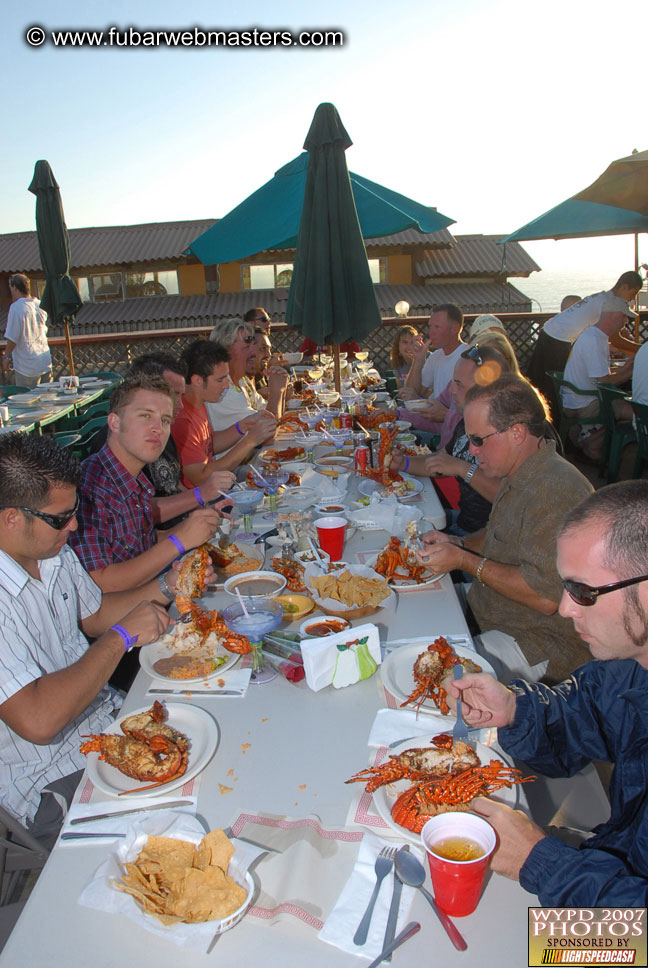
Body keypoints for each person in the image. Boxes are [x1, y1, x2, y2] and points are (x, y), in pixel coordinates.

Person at [446, 481, 648, 905]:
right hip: (607, 865)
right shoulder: (630, 668)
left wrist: (538, 862)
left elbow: (631, 938)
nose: (565, 608)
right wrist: (515, 708)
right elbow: (579, 714)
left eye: (583, 591)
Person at [0, 432, 175, 841]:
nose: (74, 525)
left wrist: (168, 587)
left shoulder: (52, 552)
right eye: (61, 518)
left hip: (106, 722)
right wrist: (120, 638)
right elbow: (39, 721)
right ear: (11, 518)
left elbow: (94, 614)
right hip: (50, 776)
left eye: (74, 510)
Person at [418, 374, 592, 684]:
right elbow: (496, 535)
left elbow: (544, 597)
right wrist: (456, 543)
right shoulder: (521, 471)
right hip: (491, 607)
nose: (472, 450)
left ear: (516, 433)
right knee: (416, 606)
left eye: (478, 439)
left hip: (539, 640)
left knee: (436, 678)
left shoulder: (554, 489)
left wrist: (463, 561)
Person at [70, 373, 225, 593]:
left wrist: (196, 524)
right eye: (145, 416)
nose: (158, 428)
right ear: (114, 422)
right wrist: (180, 540)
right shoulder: (88, 487)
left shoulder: (135, 479)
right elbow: (98, 583)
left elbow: (142, 543)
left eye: (165, 420)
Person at [392, 344, 514, 535]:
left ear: (486, 389)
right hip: (463, 522)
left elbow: (512, 497)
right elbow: (441, 461)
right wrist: (402, 463)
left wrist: (461, 468)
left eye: (459, 384)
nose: (451, 391)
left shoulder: (509, 432)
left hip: (489, 539)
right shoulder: (467, 421)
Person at [527, 271, 642, 411]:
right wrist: (642, 351)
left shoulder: (602, 298)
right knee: (551, 390)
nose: (632, 299)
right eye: (633, 293)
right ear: (624, 287)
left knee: (543, 385)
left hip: (551, 332)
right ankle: (559, 424)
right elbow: (615, 339)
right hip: (557, 339)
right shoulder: (608, 304)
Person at [172, 339, 274, 486]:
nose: (226, 386)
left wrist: (243, 426)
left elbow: (208, 444)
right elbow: (201, 477)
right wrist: (250, 441)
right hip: (204, 499)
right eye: (220, 380)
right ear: (197, 381)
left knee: (278, 474)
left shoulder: (199, 403)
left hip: (219, 483)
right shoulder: (182, 420)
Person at [562, 301, 635, 459]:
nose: (626, 321)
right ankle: (594, 445)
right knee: (638, 413)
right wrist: (631, 371)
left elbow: (599, 375)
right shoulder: (594, 340)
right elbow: (604, 382)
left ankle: (593, 441)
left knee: (626, 410)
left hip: (575, 398)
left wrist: (625, 370)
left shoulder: (592, 335)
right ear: (612, 315)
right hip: (585, 402)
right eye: (624, 316)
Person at [206, 319, 287, 448]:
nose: (254, 353)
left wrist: (280, 391)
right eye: (246, 347)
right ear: (225, 352)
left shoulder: (242, 381)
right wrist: (277, 392)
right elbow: (267, 436)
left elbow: (268, 413)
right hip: (234, 467)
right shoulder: (224, 391)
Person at [401, 304, 467, 424]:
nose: (431, 333)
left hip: (450, 429)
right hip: (431, 423)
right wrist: (418, 359)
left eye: (437, 327)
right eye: (430, 326)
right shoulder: (436, 356)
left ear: (455, 328)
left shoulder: (467, 359)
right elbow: (413, 390)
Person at [2, 273, 52, 387]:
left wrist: (6, 357)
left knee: (26, 401)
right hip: (44, 360)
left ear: (14, 287)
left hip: (27, 365)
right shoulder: (39, 304)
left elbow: (12, 338)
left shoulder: (16, 307)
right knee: (47, 400)